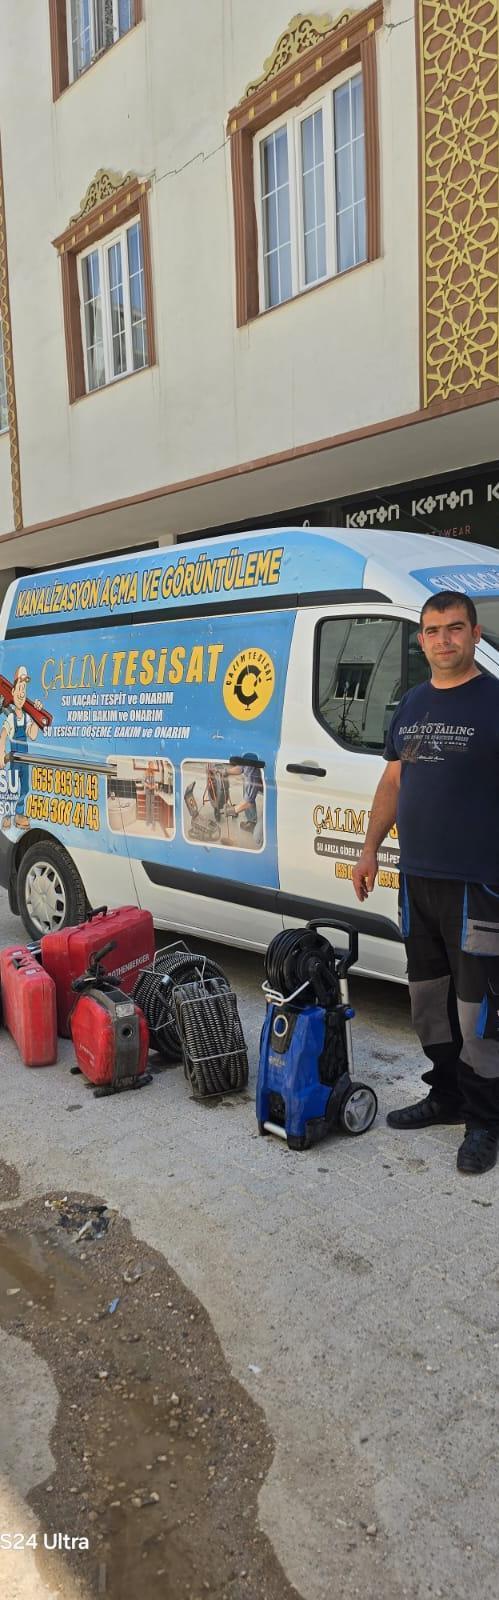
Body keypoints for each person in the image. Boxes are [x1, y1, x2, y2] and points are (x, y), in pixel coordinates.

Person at [352, 590, 499, 1176]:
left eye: (455, 628)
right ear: (421, 640)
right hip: (417, 881)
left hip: (478, 885)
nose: (444, 640)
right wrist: (369, 849)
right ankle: (446, 1094)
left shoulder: (495, 701)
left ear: (475, 634)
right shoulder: (412, 703)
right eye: (434, 631)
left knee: (477, 1010)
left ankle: (485, 1119)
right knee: (428, 1001)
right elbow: (393, 782)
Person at [0, 666, 42, 832]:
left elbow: (32, 735)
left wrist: (37, 717)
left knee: (25, 787)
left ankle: (19, 814)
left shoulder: (27, 717)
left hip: (25, 760)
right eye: (19, 688)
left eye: (24, 689)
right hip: (14, 758)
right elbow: (3, 735)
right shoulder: (11, 717)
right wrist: (1, 754)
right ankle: (7, 815)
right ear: (12, 691)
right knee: (12, 787)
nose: (21, 693)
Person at [228, 757, 264, 846]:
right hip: (267, 785)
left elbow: (248, 803)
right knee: (247, 783)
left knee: (258, 838)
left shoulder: (252, 762)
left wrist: (232, 810)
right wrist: (225, 771)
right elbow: (241, 768)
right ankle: (252, 822)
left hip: (278, 797)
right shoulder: (248, 757)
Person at [144, 761, 157, 828]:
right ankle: (147, 821)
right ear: (149, 765)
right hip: (148, 791)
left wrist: (154, 786)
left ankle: (153, 821)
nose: (152, 766)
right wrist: (148, 786)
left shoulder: (154, 773)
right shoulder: (146, 772)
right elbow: (144, 782)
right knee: (148, 807)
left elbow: (155, 783)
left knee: (152, 807)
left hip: (152, 792)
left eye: (153, 765)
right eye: (151, 765)